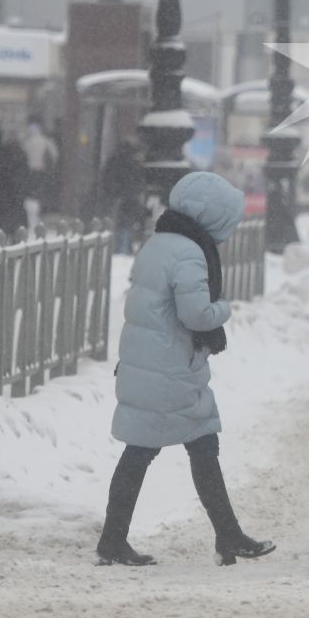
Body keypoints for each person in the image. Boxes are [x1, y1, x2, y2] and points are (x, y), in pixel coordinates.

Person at [97, 171, 274, 567]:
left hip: (153, 363)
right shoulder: (192, 253)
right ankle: (115, 540)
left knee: (190, 445)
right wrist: (225, 307)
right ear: (212, 218)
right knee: (152, 451)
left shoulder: (159, 243)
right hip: (169, 370)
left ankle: (226, 536)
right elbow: (197, 314)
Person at [100, 134, 147, 255]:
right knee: (128, 223)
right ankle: (125, 248)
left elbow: (108, 177)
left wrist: (113, 191)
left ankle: (120, 247)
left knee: (120, 223)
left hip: (119, 196)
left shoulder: (115, 159)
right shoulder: (135, 161)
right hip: (131, 195)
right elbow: (139, 179)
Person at [21, 121, 60, 223]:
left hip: (29, 170)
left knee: (31, 192)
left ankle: (33, 211)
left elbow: (22, 154)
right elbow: (55, 154)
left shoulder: (27, 142)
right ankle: (40, 211)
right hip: (41, 169)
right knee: (40, 191)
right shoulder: (45, 141)